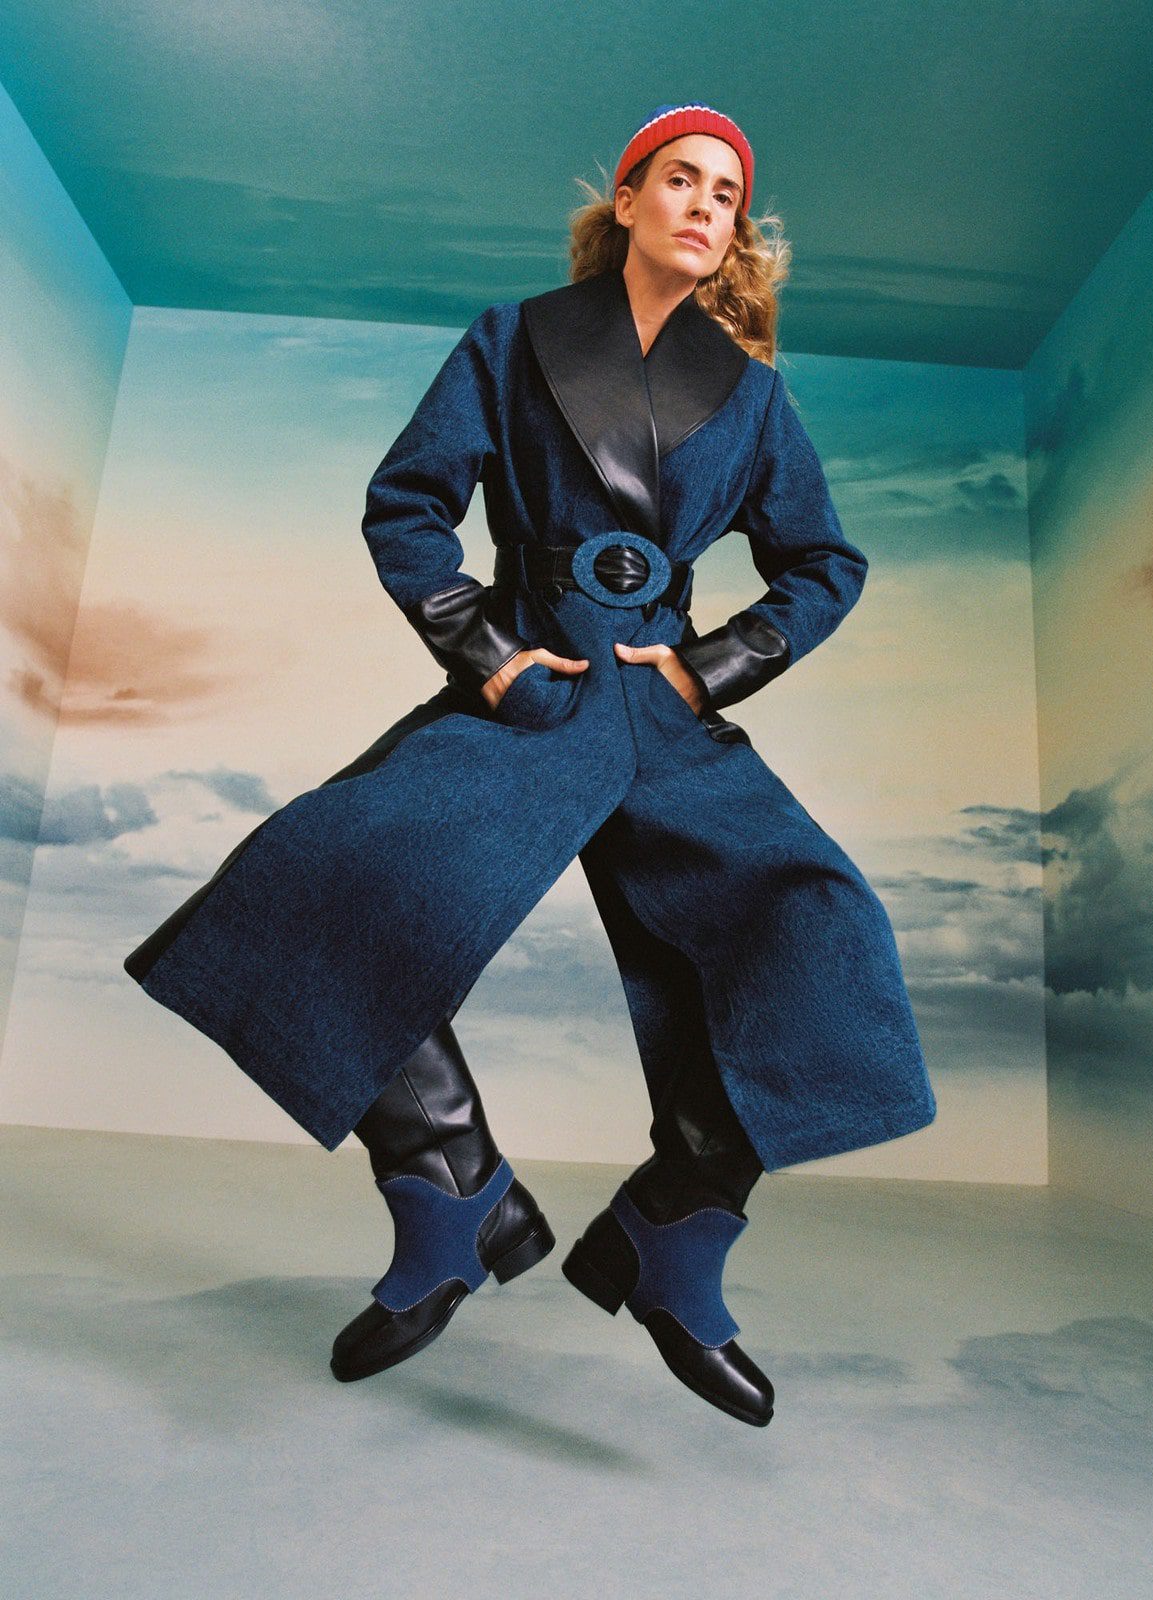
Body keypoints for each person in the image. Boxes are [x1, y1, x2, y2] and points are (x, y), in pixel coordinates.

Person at [124, 103, 937, 1429]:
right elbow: (408, 506)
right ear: (626, 199)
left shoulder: (753, 397)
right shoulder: (511, 340)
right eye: (680, 180)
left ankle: (675, 1230)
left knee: (823, 933)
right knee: (315, 875)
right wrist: (486, 653)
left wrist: (712, 667)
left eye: (725, 195)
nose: (703, 205)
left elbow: (823, 565)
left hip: (662, 708)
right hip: (534, 682)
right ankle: (450, 1183)